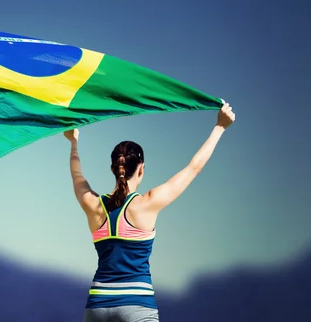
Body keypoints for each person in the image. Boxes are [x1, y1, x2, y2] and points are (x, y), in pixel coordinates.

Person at [63, 103, 236, 322]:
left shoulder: (93, 204)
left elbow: (76, 175)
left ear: (113, 169)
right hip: (137, 306)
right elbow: (194, 168)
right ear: (141, 168)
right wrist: (220, 127)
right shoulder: (148, 203)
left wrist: (73, 142)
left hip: (98, 305)